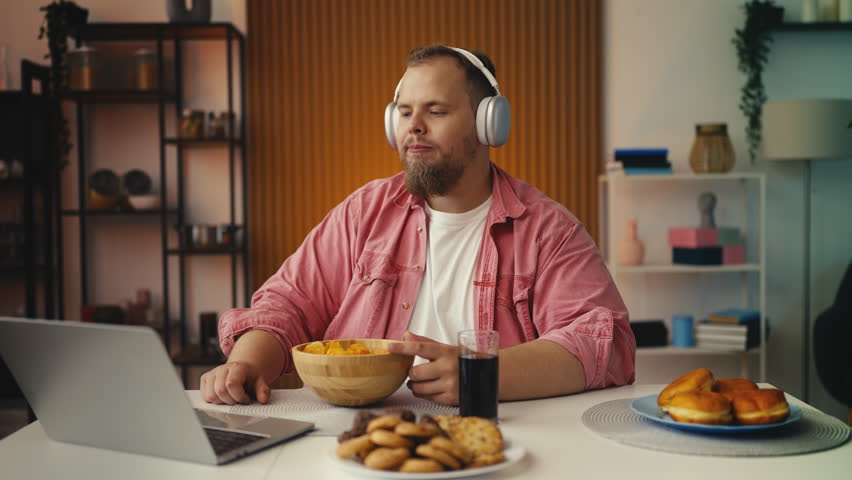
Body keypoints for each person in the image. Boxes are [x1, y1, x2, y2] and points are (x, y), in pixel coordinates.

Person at [200, 45, 636, 406]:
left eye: (436, 111)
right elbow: (287, 304)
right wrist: (247, 362)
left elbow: (605, 341)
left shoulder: (547, 229)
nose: (414, 127)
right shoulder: (363, 213)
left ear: (488, 123)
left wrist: (482, 375)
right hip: (358, 440)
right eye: (405, 112)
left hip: (499, 440)